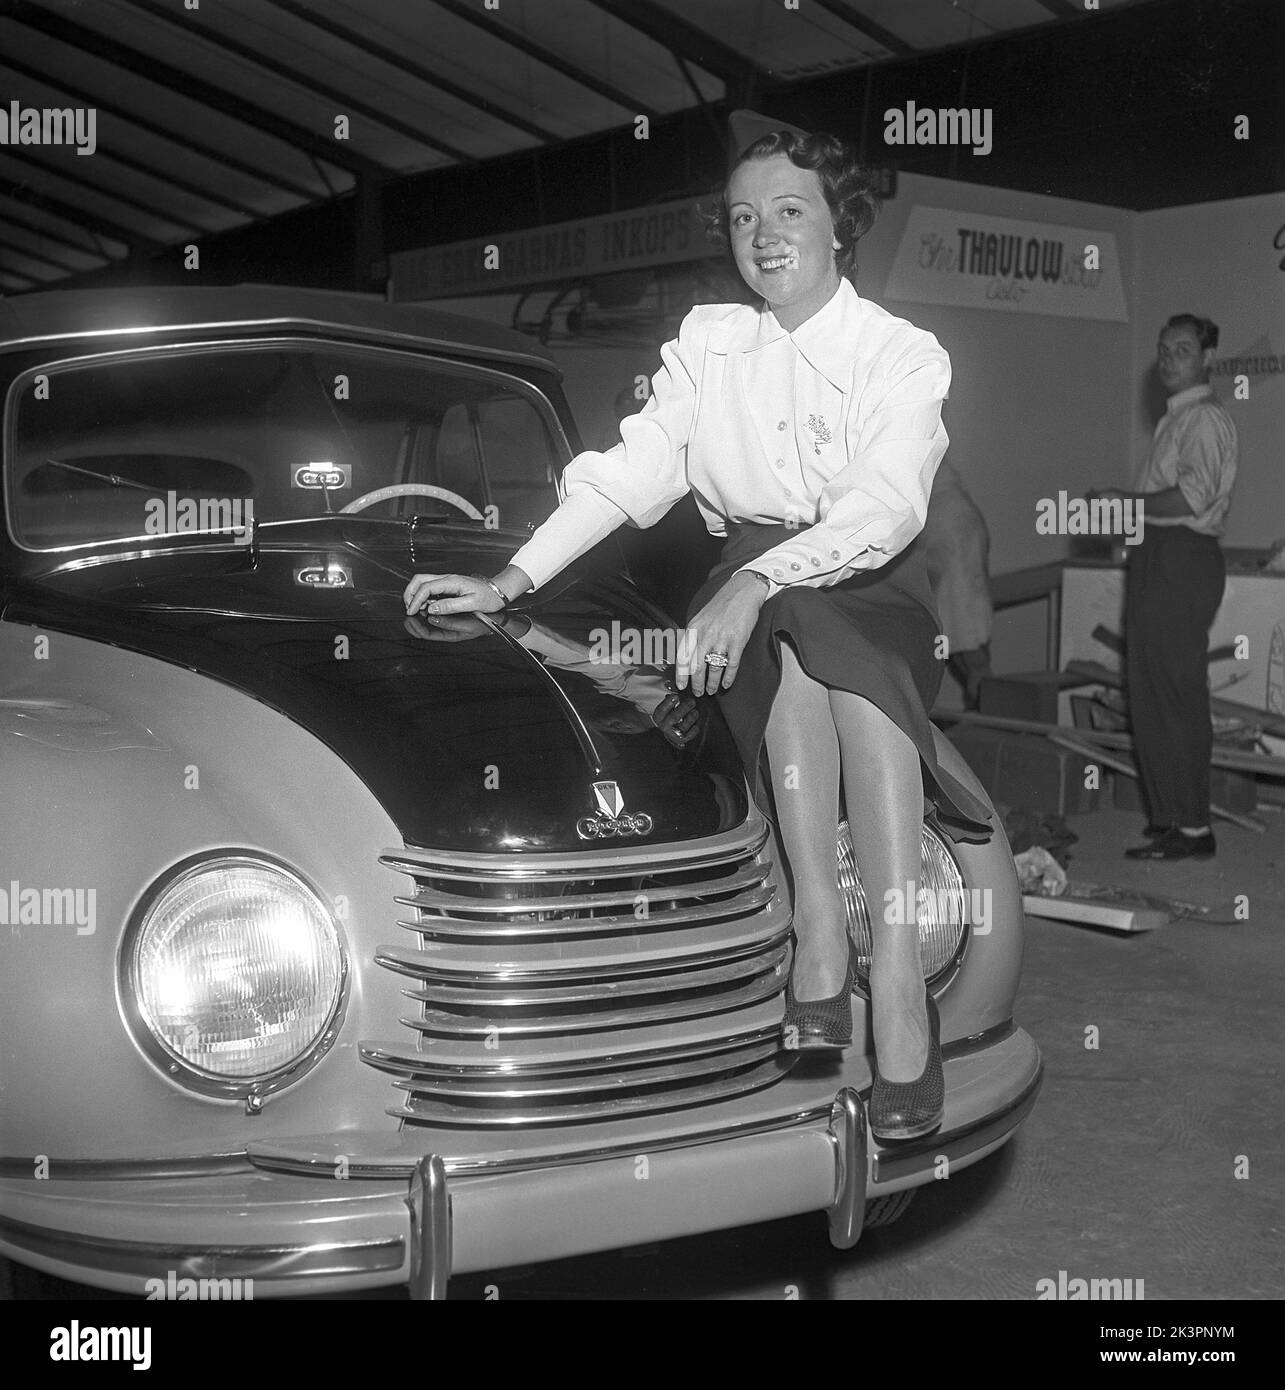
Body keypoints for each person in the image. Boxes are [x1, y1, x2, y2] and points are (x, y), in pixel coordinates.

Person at [403, 125, 992, 1141]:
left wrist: (756, 582)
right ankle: (828, 937)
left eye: (789, 210)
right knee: (790, 633)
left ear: (838, 225)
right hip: (753, 583)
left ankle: (880, 965)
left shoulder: (899, 352)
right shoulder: (712, 344)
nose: (764, 235)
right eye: (743, 217)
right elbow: (629, 473)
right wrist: (511, 578)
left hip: (863, 576)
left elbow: (888, 508)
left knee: (811, 629)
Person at [1098, 314, 1238, 861]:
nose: (1169, 357)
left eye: (1183, 348)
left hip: (1183, 559)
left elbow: (1190, 499)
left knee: (1175, 693)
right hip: (1159, 556)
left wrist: (1121, 502)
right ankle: (1172, 819)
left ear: (1207, 360)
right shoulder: (1176, 419)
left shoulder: (1202, 419)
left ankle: (1195, 828)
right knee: (1150, 689)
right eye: (1163, 348)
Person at [920, 457, 993, 707]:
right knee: (956, 634)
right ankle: (985, 708)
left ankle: (989, 714)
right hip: (942, 529)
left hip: (950, 532)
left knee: (969, 638)